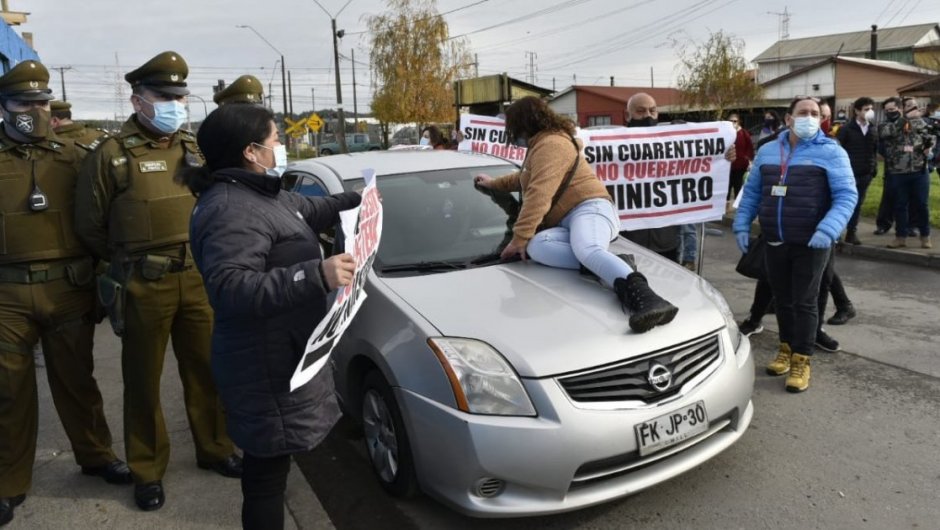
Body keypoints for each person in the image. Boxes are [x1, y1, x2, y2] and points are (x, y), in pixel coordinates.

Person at [74, 51, 240, 512]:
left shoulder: (193, 148)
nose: (175, 104)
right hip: (144, 284)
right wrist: (129, 264)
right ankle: (147, 470)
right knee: (143, 381)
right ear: (137, 100)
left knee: (207, 369)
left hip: (197, 277)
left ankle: (215, 448)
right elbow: (89, 226)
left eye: (181, 96)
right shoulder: (111, 155)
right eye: (165, 96)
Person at [184, 103, 360, 530]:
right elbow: (230, 289)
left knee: (270, 469)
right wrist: (314, 273)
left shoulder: (262, 192)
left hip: (279, 353)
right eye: (275, 139)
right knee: (265, 477)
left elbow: (309, 210)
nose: (280, 145)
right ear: (251, 150)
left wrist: (362, 200)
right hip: (262, 364)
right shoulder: (230, 209)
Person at [0, 60, 131, 528]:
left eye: (41, 102)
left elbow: (99, 221)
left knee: (77, 381)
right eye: (23, 102)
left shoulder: (75, 157)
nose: (34, 110)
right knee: (9, 391)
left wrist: (102, 280)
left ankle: (95, 456)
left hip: (68, 289)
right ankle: (8, 483)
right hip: (7, 294)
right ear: (4, 106)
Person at [474, 96, 677, 333]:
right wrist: (493, 184)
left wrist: (519, 237)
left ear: (524, 123)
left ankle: (647, 299)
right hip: (567, 220)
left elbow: (539, 194)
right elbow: (524, 180)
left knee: (586, 248)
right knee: (538, 246)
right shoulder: (539, 146)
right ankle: (614, 264)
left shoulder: (552, 145)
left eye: (512, 127)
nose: (512, 133)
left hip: (590, 207)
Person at [733, 96, 857, 393]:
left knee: (804, 302)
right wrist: (741, 223)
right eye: (803, 112)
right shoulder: (767, 151)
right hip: (775, 239)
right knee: (783, 300)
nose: (810, 117)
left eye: (815, 113)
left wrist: (829, 229)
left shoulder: (832, 152)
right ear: (788, 119)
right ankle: (786, 349)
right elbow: (752, 192)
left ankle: (802, 358)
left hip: (812, 242)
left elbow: (846, 195)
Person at [879, 96, 934, 249]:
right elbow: (886, 133)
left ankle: (925, 236)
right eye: (888, 110)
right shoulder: (886, 124)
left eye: (915, 105)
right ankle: (900, 237)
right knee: (900, 205)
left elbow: (930, 135)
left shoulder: (918, 122)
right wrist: (905, 118)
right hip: (898, 172)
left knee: (922, 205)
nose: (913, 108)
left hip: (919, 170)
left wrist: (929, 146)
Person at [836, 97, 878, 246]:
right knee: (843, 204)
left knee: (858, 204)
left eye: (871, 109)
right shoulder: (846, 129)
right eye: (866, 109)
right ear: (857, 111)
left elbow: (874, 151)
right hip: (849, 174)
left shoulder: (873, 129)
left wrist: (873, 169)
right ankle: (836, 233)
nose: (870, 112)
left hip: (866, 173)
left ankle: (851, 232)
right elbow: (838, 151)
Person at [727, 112, 755, 211]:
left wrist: (748, 159)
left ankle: (738, 209)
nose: (732, 123)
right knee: (727, 188)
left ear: (739, 122)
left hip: (740, 166)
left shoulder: (744, 134)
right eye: (730, 121)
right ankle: (726, 208)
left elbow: (750, 148)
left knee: (738, 187)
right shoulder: (726, 133)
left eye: (734, 121)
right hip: (728, 166)